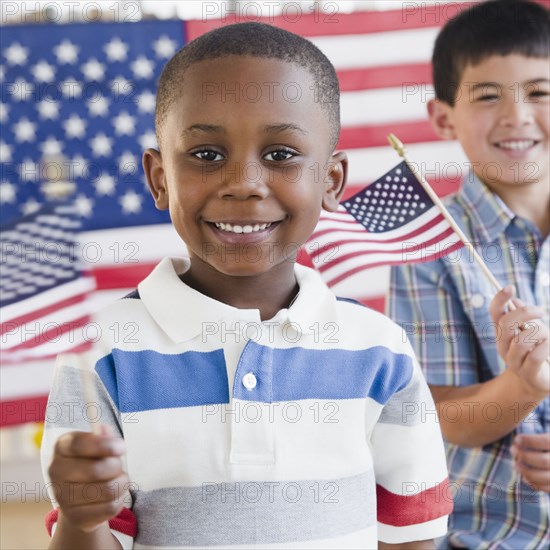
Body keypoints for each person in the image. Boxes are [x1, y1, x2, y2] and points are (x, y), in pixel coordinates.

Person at [40, 22, 451, 550]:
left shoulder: (379, 348)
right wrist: (82, 519)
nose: (244, 183)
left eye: (281, 154)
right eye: (207, 154)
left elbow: (411, 535)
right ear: (159, 178)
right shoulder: (100, 353)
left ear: (331, 180)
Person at [387, 0, 550, 548]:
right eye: (487, 97)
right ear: (442, 117)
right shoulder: (431, 244)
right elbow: (444, 416)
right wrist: (521, 386)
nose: (517, 116)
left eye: (540, 91)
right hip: (495, 532)